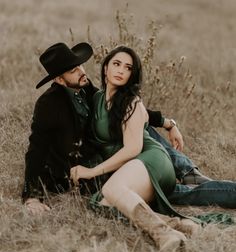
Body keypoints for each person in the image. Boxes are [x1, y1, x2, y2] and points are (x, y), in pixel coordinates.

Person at [22, 41, 236, 216]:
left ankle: (187, 170)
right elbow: (36, 149)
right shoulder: (50, 105)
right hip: (103, 164)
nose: (82, 71)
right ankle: (194, 184)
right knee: (171, 194)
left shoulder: (86, 87)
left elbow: (129, 111)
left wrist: (167, 122)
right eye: (73, 70)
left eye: (80, 65)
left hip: (126, 156)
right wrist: (31, 196)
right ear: (60, 79)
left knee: (141, 130)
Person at [70, 45, 203, 251]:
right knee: (103, 204)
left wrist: (92, 171)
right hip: (132, 170)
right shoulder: (97, 98)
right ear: (105, 68)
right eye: (116, 64)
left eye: (128, 67)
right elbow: (150, 116)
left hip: (151, 161)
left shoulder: (132, 103)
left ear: (132, 75)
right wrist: (169, 123)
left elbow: (132, 149)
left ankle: (164, 235)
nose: (121, 70)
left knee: (111, 190)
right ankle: (180, 225)